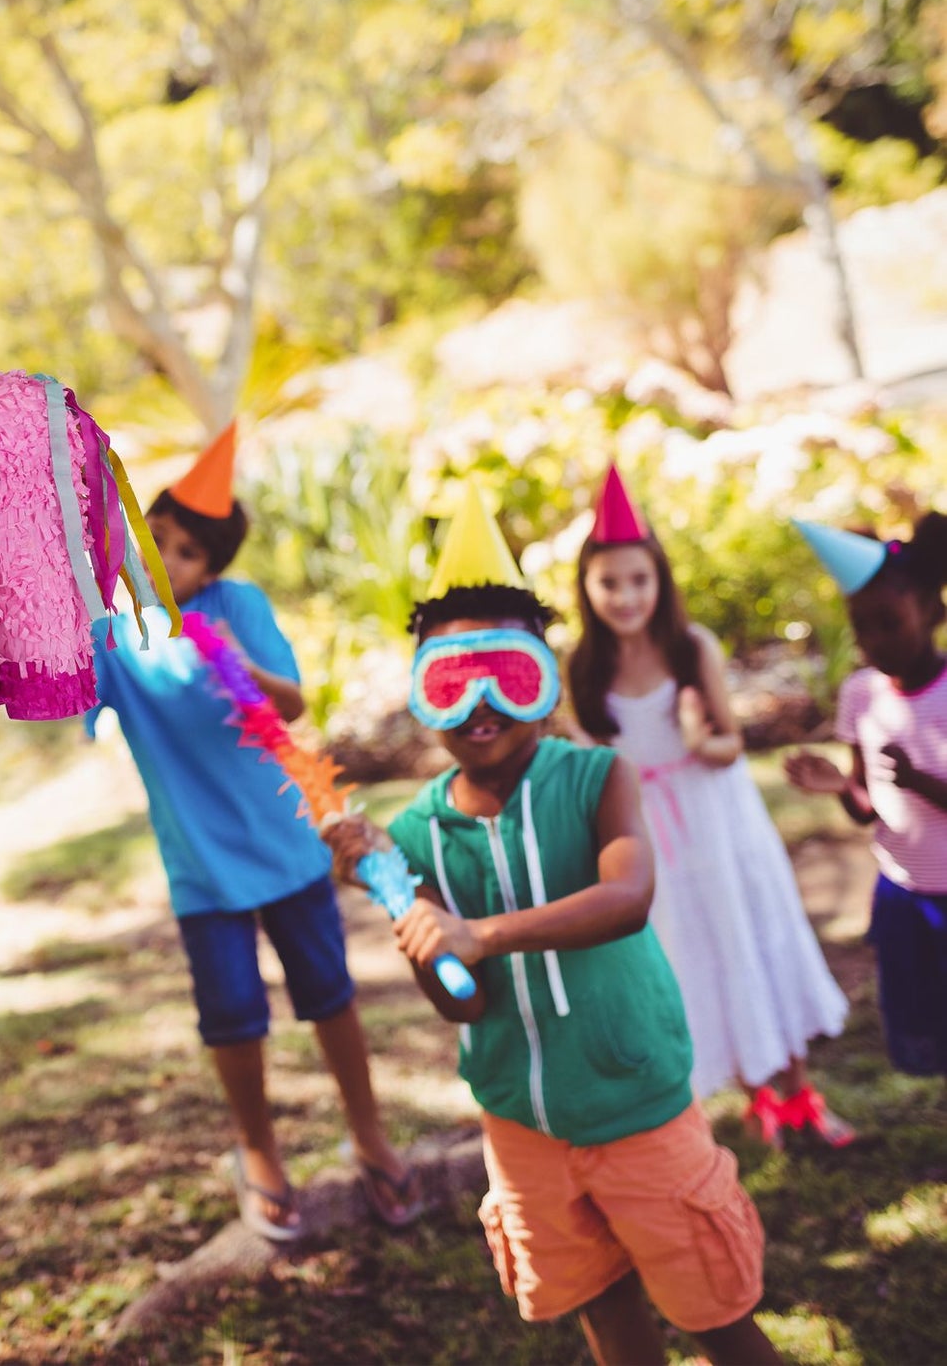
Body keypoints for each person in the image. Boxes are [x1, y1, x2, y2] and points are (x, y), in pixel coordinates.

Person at [325, 481, 780, 1366]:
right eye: (451, 680)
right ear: (422, 694)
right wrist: (406, 907)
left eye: (509, 672)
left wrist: (480, 934)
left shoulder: (596, 776)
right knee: (603, 1312)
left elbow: (628, 896)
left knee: (715, 1314)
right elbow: (459, 1002)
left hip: (637, 1106)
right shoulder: (416, 831)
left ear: (543, 678)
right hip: (520, 1124)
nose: (480, 701)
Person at [85, 422, 420, 1241]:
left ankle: (367, 1129)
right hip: (202, 863)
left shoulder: (237, 607)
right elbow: (76, 704)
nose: (166, 557)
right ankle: (257, 1148)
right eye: (155, 537)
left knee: (328, 994)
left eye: (188, 552)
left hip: (285, 843)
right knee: (231, 1013)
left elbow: (292, 704)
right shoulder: (110, 631)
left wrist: (239, 659)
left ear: (215, 568)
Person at [567, 464, 851, 1147]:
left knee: (747, 935)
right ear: (585, 586)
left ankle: (797, 1089)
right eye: (608, 582)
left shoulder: (690, 649)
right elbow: (593, 763)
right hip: (649, 833)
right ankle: (753, 1091)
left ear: (659, 579)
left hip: (716, 822)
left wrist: (700, 736)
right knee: (692, 947)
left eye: (638, 579)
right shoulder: (582, 669)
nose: (625, 595)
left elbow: (727, 745)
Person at [785, 510, 947, 1077]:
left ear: (930, 610)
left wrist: (917, 779)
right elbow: (866, 808)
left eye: (889, 622)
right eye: (862, 627)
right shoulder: (860, 694)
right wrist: (838, 788)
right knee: (920, 1018)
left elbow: (909, 786)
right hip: (902, 893)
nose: (874, 641)